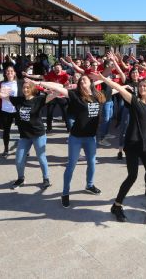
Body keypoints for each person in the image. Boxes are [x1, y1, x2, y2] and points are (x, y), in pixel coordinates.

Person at [94, 71, 146, 222]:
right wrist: (104, 79)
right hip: (132, 144)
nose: (142, 88)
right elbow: (120, 88)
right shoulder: (135, 101)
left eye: (145, 86)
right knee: (132, 176)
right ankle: (116, 205)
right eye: (141, 86)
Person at [35, 75, 105, 208]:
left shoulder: (99, 95)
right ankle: (65, 193)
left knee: (92, 163)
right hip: (76, 138)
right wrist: (39, 82)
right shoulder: (75, 95)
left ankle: (89, 185)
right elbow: (58, 88)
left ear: (91, 82)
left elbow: (114, 88)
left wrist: (124, 85)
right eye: (81, 80)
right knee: (71, 165)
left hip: (91, 138)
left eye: (85, 79)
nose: (82, 81)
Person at [0, 80, 56, 189]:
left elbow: (56, 93)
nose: (25, 89)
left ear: (32, 89)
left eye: (28, 88)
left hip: (38, 134)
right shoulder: (19, 100)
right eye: (24, 88)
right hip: (24, 136)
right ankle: (21, 179)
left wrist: (41, 83)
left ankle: (46, 179)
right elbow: (3, 96)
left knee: (41, 157)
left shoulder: (39, 100)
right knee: (19, 159)